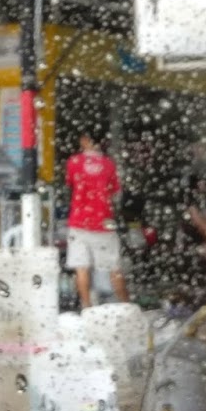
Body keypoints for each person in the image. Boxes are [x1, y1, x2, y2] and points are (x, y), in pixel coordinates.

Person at [64, 132, 128, 308]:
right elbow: (114, 190)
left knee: (81, 268)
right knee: (114, 268)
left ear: (84, 140)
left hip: (79, 222)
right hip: (104, 223)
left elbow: (70, 183)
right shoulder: (109, 164)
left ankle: (86, 308)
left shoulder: (74, 162)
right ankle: (127, 306)